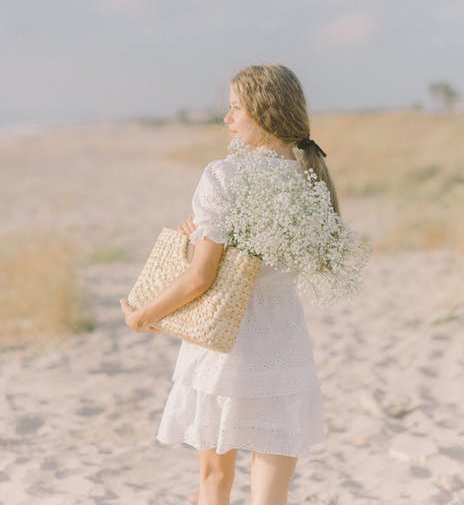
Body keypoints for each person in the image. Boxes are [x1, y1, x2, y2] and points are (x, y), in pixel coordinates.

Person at [120, 64, 342, 505]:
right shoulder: (312, 177)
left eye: (235, 107)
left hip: (225, 345)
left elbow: (201, 276)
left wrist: (143, 315)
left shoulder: (224, 175)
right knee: (270, 495)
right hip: (285, 346)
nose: (227, 118)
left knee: (214, 481)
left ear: (264, 112)